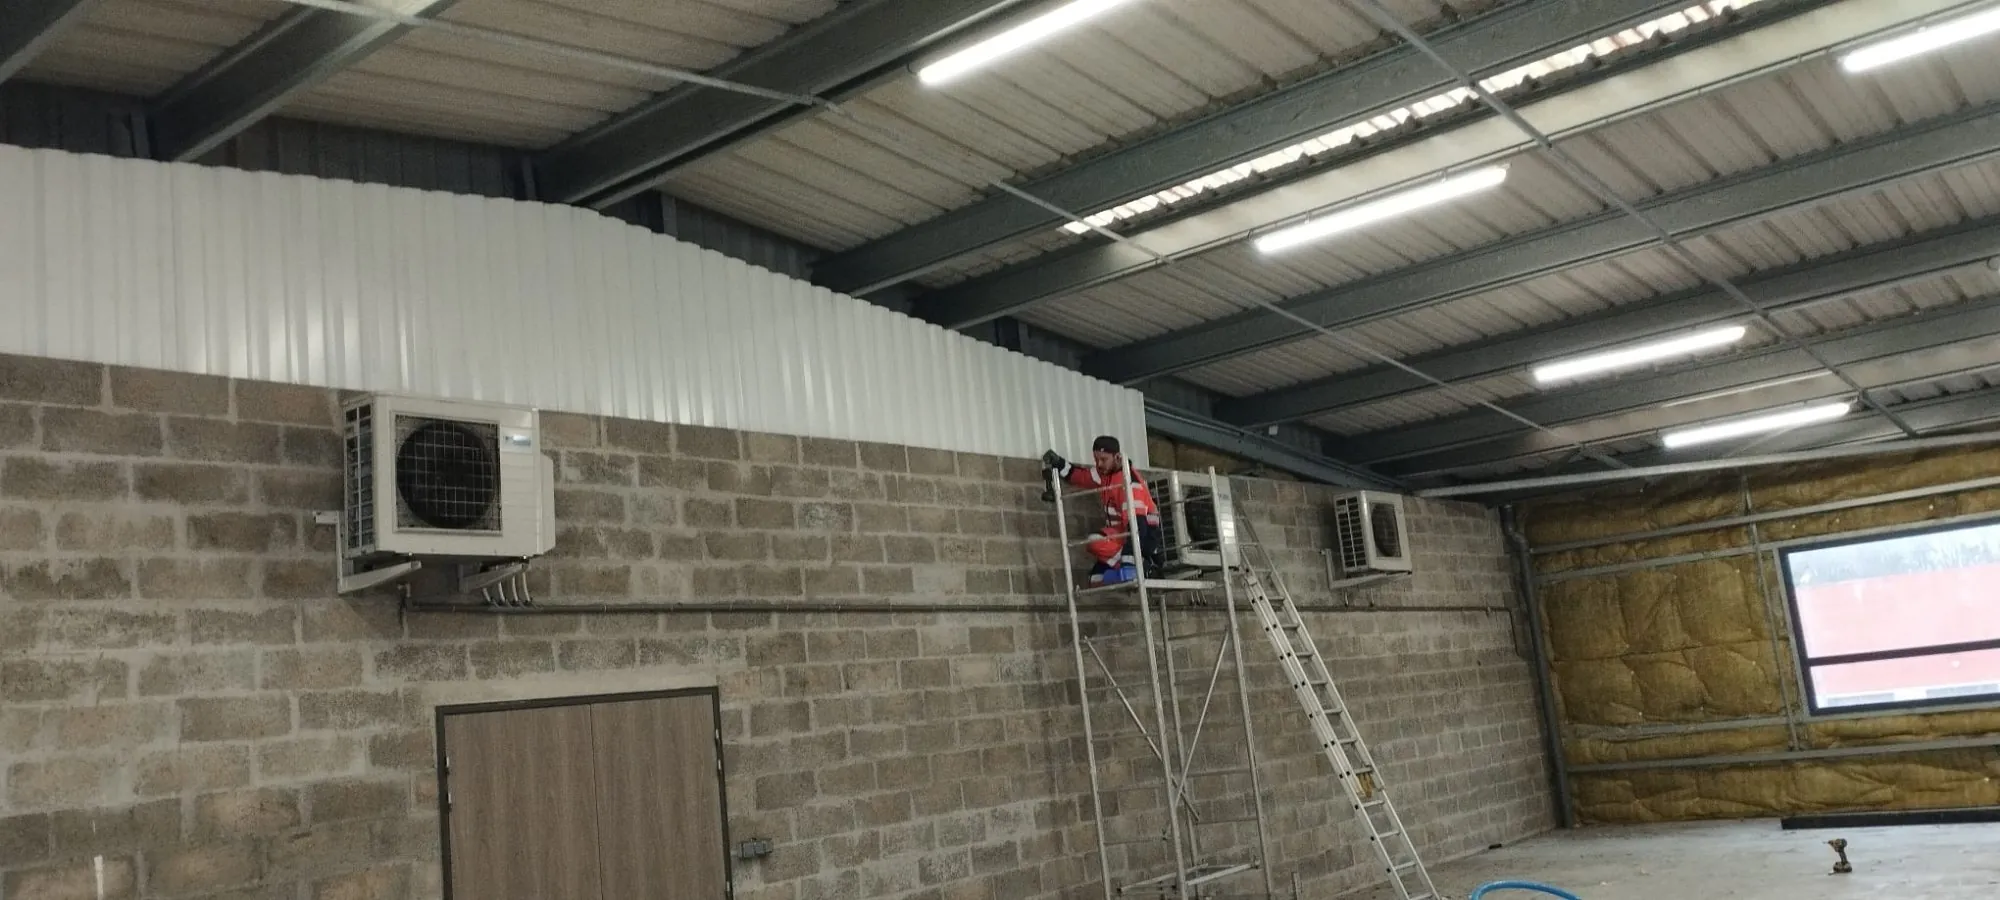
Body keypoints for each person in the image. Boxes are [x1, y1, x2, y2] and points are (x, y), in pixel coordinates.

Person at [1043, 436, 1165, 585]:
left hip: (1141, 537)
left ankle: (1144, 568)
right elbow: (1081, 476)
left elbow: (1138, 527)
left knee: (1094, 541)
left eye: (1103, 459)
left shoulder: (1129, 482)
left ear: (1117, 457)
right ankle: (1134, 572)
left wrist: (1131, 561)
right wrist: (1059, 463)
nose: (1098, 464)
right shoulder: (1104, 473)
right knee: (1095, 579)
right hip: (1121, 534)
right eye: (1096, 459)